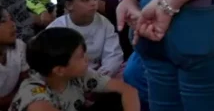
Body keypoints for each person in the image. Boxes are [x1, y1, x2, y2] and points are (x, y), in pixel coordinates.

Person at [10, 28, 139, 111]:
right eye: (81, 56)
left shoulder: (80, 74)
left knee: (114, 97)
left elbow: (128, 91)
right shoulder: (33, 89)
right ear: (60, 70)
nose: (87, 59)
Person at [48, 0, 123, 78]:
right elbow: (49, 60)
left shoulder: (105, 24)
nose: (93, 3)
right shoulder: (56, 29)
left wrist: (100, 76)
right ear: (69, 5)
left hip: (98, 75)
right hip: (67, 76)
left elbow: (113, 55)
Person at [0, 7, 27, 111]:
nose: (12, 24)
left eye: (11, 19)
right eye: (3, 21)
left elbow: (25, 79)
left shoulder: (19, 46)